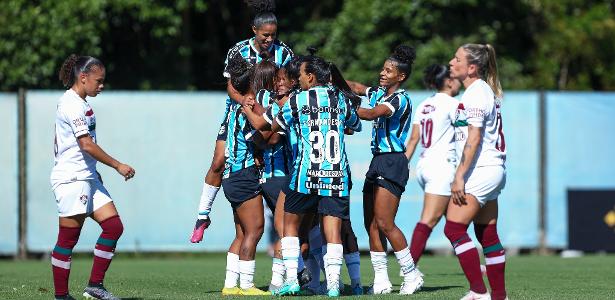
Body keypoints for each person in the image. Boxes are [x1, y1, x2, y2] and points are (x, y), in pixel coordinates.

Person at [251, 55, 361, 297]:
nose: (298, 80)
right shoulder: (341, 99)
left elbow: (275, 125)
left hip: (305, 174)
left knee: (288, 226)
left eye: (300, 75)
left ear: (310, 77)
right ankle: (333, 285)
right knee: (332, 233)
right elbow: (355, 124)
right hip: (336, 175)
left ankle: (291, 280)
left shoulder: (298, 100)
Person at [190, 0, 293, 242]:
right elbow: (230, 87)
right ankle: (203, 215)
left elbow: (286, 83)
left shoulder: (284, 52)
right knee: (218, 161)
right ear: (254, 31)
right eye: (265, 35)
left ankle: (277, 232)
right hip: (238, 112)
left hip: (267, 112)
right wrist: (245, 101)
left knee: (264, 159)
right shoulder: (238, 51)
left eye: (273, 35)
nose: (269, 40)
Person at [51, 55, 135, 300]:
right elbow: (86, 145)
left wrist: (94, 171)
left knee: (113, 227)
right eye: (98, 81)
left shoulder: (81, 102)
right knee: (68, 238)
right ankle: (61, 296)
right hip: (72, 179)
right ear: (83, 77)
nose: (102, 85)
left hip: (88, 177)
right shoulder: (71, 104)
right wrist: (117, 165)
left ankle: (95, 286)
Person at [347, 45, 423, 295]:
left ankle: (411, 274)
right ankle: (381, 280)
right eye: (383, 68)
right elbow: (357, 88)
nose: (382, 73)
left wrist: (339, 106)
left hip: (392, 161)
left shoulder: (399, 99)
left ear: (400, 76)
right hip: (378, 160)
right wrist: (331, 79)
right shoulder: (379, 92)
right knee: (371, 224)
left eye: (388, 71)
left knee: (386, 222)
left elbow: (369, 114)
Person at [446, 43, 507, 300]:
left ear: (471, 67)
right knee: (487, 233)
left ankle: (478, 293)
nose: (451, 62)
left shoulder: (475, 93)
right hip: (491, 169)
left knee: (454, 229)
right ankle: (499, 296)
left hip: (481, 170)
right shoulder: (479, 91)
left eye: (457, 58)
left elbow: (474, 137)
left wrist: (459, 175)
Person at [217, 53, 271, 296]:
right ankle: (247, 285)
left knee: (241, 232)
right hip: (244, 174)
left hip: (231, 176)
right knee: (256, 229)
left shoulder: (232, 111)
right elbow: (260, 135)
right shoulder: (245, 111)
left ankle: (230, 285)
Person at [404, 64, 464, 264]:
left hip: (424, 166)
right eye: (455, 78)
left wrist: (402, 165)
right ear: (448, 81)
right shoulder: (454, 104)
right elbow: (466, 138)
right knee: (428, 220)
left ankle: (472, 263)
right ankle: (409, 271)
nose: (458, 81)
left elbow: (413, 140)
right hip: (442, 168)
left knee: (455, 224)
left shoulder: (424, 105)